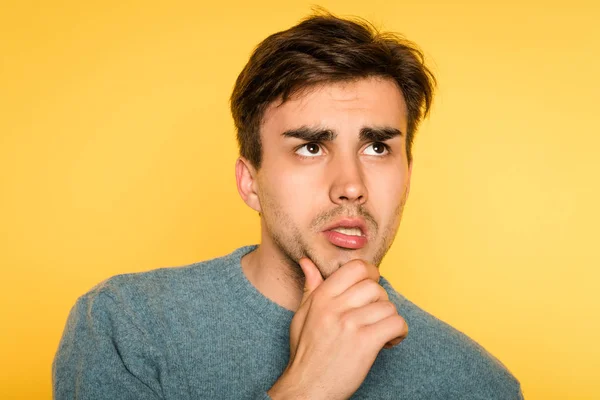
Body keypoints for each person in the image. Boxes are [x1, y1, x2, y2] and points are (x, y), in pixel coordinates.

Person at [52, 10, 524, 400]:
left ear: (408, 177)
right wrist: (309, 387)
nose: (351, 186)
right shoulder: (125, 328)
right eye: (311, 148)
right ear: (250, 182)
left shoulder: (482, 385)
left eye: (377, 148)